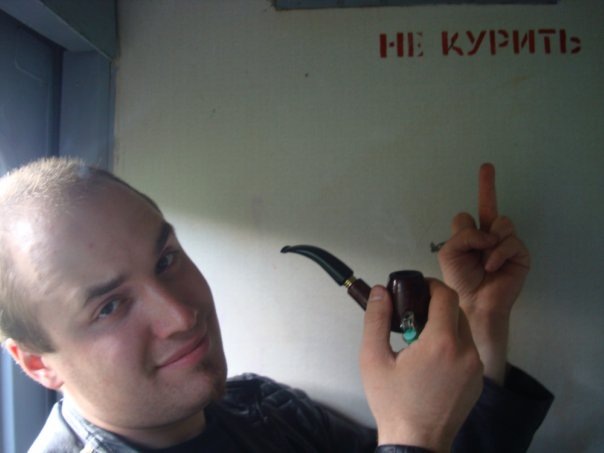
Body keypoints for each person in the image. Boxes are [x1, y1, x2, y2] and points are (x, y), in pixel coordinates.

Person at [0, 158, 552, 452]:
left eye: (166, 259)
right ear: (36, 362)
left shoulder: (267, 408)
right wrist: (414, 439)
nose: (183, 317)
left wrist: (483, 321)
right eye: (108, 307)